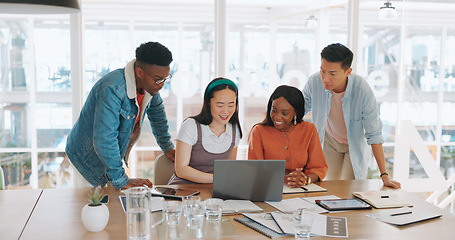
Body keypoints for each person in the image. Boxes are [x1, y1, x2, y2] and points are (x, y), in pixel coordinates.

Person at [66, 41, 175, 190]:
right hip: (85, 161)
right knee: (90, 210)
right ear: (140, 72)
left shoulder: (150, 86)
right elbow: (105, 138)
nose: (161, 84)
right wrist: (121, 180)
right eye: (158, 79)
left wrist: (167, 148)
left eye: (165, 78)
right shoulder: (112, 88)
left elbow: (158, 116)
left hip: (108, 161)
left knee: (113, 208)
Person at [303, 43, 400, 188]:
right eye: (323, 71)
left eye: (332, 74)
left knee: (350, 190)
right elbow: (299, 110)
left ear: (348, 71)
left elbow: (374, 134)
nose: (325, 78)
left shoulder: (363, 91)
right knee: (327, 187)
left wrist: (384, 175)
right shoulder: (314, 81)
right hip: (329, 140)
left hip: (353, 145)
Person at [248, 85, 327, 188]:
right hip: (267, 187)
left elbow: (318, 167)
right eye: (274, 110)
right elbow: (255, 170)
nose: (277, 117)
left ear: (296, 112)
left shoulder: (309, 129)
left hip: (301, 189)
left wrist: (305, 179)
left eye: (284, 113)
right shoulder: (258, 131)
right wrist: (283, 179)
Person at [168, 78, 242, 184]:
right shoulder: (191, 126)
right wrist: (217, 179)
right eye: (220, 105)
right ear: (208, 102)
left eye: (231, 105)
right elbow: (181, 170)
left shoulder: (234, 130)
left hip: (216, 190)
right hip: (185, 189)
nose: (226, 111)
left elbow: (229, 168)